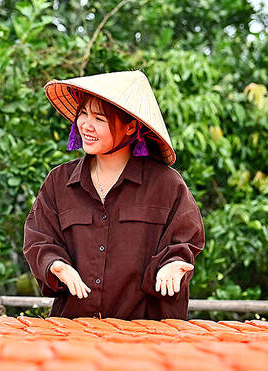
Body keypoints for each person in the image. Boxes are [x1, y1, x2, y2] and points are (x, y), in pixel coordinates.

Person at [23, 70, 204, 319]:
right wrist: (56, 265)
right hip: (74, 332)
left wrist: (173, 265)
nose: (86, 125)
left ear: (130, 127)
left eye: (99, 118)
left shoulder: (166, 184)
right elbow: (39, 239)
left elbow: (183, 241)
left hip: (147, 336)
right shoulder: (59, 182)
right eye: (83, 114)